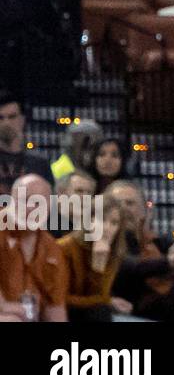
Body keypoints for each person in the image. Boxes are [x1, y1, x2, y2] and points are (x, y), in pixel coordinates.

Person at [0, 174, 68, 321]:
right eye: (24, 200)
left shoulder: (52, 249)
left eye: (38, 203)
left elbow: (56, 308)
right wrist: (3, 305)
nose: (31, 208)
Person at [58, 195, 128, 321]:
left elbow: (99, 297)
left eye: (114, 223)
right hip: (63, 312)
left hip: (90, 312)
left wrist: (98, 266)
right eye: (102, 220)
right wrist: (106, 300)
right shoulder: (64, 248)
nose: (107, 228)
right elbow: (61, 299)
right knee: (100, 311)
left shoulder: (112, 252)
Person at [0, 92, 53, 195]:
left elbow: (49, 203)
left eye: (12, 117)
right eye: (0, 118)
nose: (6, 123)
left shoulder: (40, 163)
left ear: (22, 119)